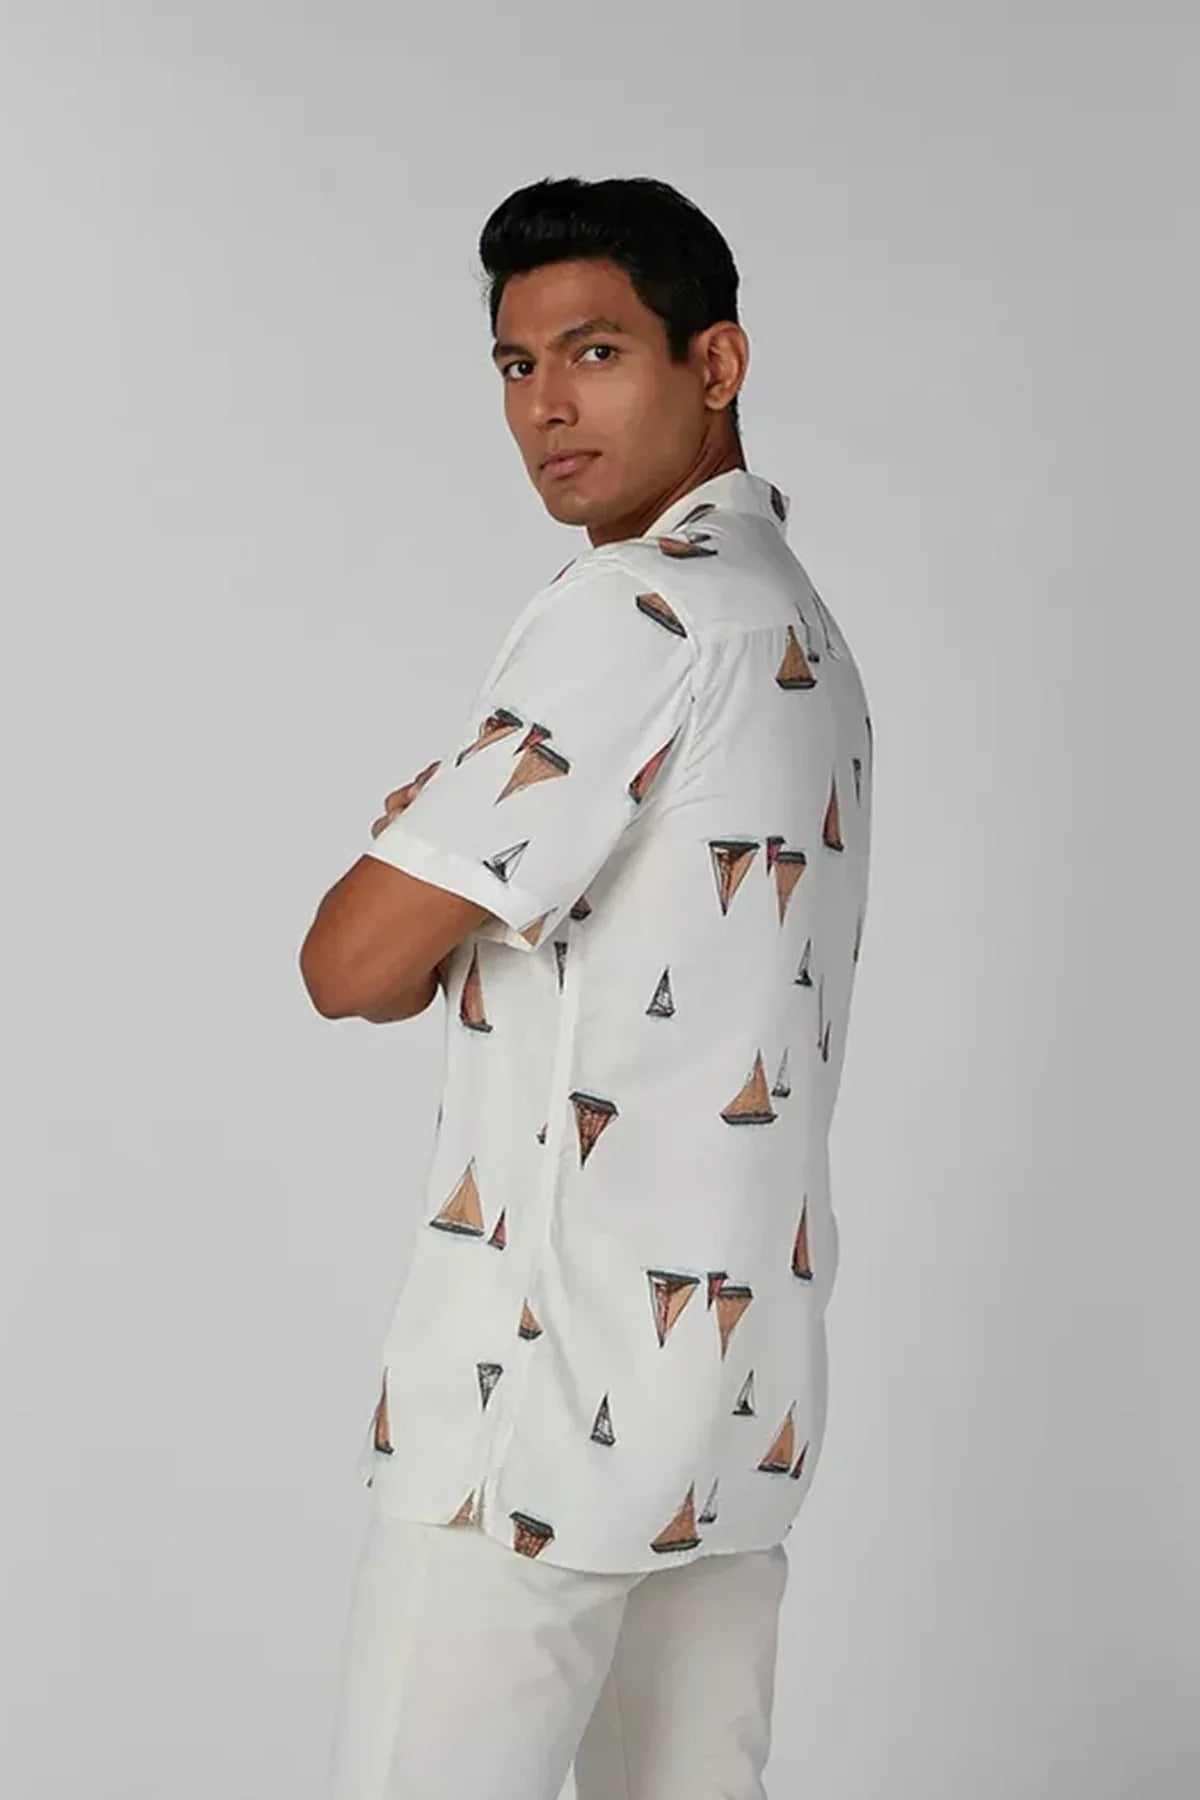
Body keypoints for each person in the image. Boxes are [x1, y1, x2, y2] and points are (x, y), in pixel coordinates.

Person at [300, 174, 873, 1800]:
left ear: (717, 362)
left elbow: (349, 963)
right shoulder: (795, 626)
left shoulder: (637, 612)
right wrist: (451, 901)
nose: (546, 404)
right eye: (515, 364)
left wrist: (429, 864)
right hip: (727, 1406)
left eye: (598, 350)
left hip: (537, 1412)